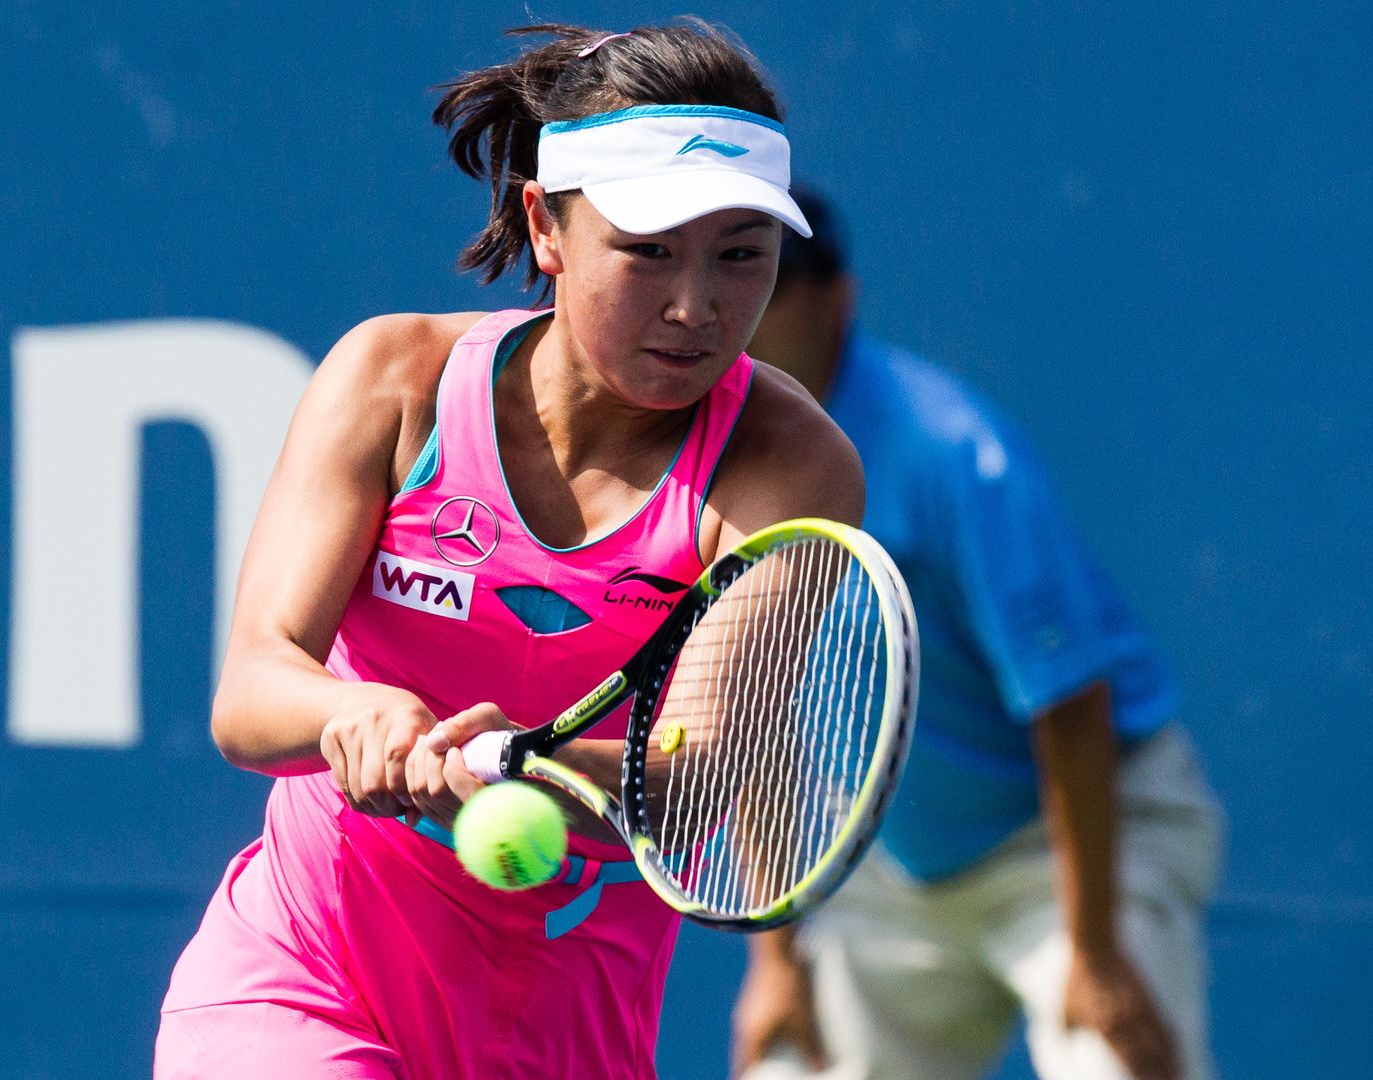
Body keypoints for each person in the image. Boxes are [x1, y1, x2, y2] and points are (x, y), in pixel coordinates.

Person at [154, 21, 865, 1080]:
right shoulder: (394, 381)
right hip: (301, 977)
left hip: (563, 1031)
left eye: (740, 255)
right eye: (648, 251)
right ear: (546, 225)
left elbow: (699, 780)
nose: (696, 306)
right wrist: (356, 713)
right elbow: (253, 690)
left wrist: (523, 763)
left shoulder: (791, 466)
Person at [731, 190, 1224, 1080]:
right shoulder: (709, 454)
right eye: (726, 271)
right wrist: (774, 958)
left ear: (836, 300)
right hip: (890, 859)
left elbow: (1070, 703)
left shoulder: (949, 450)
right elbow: (747, 718)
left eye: (771, 278)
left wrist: (1097, 952)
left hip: (1075, 839)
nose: (741, 308)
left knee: (1115, 1065)